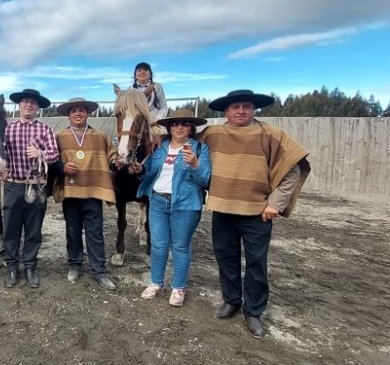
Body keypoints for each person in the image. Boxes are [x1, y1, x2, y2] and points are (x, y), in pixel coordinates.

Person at [200, 90, 311, 339]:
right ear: (225, 111)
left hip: (257, 212)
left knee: (256, 264)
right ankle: (231, 300)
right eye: (236, 107)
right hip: (222, 209)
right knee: (225, 258)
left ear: (254, 109)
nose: (241, 111)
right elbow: (183, 141)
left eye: (247, 106)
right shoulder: (212, 134)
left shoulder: (270, 134)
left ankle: (254, 311)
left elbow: (291, 171)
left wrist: (275, 204)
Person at [135, 109, 211, 307]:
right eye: (175, 124)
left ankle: (178, 287)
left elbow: (205, 179)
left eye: (185, 124)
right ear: (169, 127)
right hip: (158, 202)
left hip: (186, 205)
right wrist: (139, 170)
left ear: (191, 128)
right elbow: (149, 173)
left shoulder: (201, 149)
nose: (179, 127)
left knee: (180, 246)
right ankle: (156, 283)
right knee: (158, 245)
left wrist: (195, 164)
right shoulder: (160, 147)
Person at [53, 98, 118, 291]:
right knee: (72, 232)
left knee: (95, 233)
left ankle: (99, 271)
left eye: (81, 110)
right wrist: (62, 167)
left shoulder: (100, 136)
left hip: (93, 190)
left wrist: (118, 162)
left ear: (88, 113)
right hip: (71, 192)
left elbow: (112, 156)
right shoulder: (59, 136)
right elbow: (51, 160)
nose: (78, 113)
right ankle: (75, 265)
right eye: (74, 111)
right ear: (69, 115)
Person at [0, 89, 59, 288]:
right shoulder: (9, 129)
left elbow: (55, 154)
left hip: (37, 186)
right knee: (10, 230)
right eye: (25, 101)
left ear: (38, 107)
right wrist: (1, 169)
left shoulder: (45, 129)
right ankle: (13, 267)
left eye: (33, 102)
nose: (29, 105)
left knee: (34, 230)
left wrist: (40, 153)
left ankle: (30, 266)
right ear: (19, 105)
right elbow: (1, 153)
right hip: (13, 185)